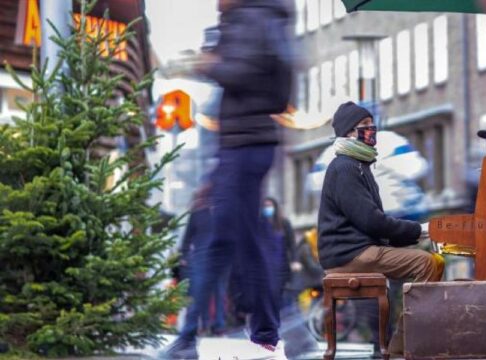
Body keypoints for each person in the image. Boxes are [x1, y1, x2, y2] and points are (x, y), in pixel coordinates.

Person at [160, 0, 294, 358]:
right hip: (241, 146)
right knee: (247, 242)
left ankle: (188, 338)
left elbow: (241, 72)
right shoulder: (254, 17)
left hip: (244, 145)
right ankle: (268, 331)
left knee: (218, 241)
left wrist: (205, 63)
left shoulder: (252, 17)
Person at [318, 102, 444, 356]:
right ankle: (402, 345)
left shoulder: (357, 165)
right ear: (348, 133)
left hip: (354, 250)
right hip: (351, 253)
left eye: (371, 125)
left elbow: (372, 223)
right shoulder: (345, 168)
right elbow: (371, 221)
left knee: (420, 264)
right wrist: (420, 231)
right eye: (364, 126)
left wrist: (408, 237)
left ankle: (395, 341)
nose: (371, 130)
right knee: (429, 264)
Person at [263, 197, 319, 358]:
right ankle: (299, 341)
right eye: (265, 206)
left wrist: (294, 261)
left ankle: (303, 341)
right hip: (268, 273)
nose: (267, 208)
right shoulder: (260, 226)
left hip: (284, 272)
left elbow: (292, 246)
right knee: (282, 310)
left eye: (270, 205)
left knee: (287, 308)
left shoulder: (284, 224)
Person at [177, 184, 229, 337]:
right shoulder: (197, 214)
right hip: (201, 258)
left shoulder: (225, 214)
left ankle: (219, 326)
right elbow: (187, 238)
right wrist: (184, 256)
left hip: (220, 257)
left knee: (220, 292)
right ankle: (201, 324)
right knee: (200, 291)